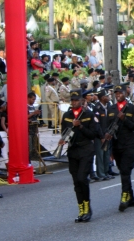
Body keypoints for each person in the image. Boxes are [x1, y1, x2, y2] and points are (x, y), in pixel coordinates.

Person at [60, 89, 100, 223]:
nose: (74, 102)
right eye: (72, 100)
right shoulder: (66, 115)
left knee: (83, 178)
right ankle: (81, 209)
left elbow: (93, 134)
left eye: (77, 100)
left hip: (86, 149)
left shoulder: (88, 114)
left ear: (82, 101)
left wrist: (81, 126)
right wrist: (63, 139)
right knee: (76, 181)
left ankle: (88, 207)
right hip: (73, 150)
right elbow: (64, 132)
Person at [106, 84, 134, 212]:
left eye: (120, 92)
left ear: (125, 93)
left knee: (126, 170)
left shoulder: (131, 108)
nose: (118, 95)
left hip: (128, 144)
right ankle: (131, 198)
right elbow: (107, 126)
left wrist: (125, 119)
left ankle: (124, 196)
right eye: (116, 93)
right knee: (122, 170)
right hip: (116, 144)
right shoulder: (111, 109)